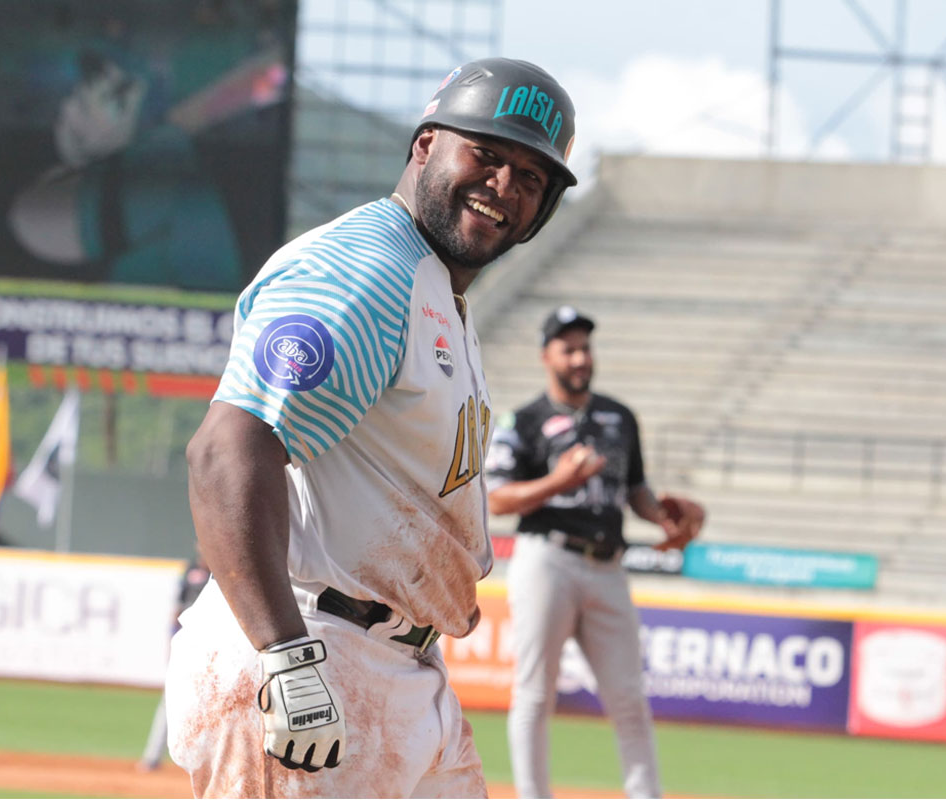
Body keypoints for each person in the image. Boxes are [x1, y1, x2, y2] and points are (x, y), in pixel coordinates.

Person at [164, 57, 578, 798]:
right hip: (314, 645)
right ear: (424, 146)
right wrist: (286, 657)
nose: (503, 187)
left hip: (393, 666)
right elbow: (226, 450)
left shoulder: (433, 286)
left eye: (530, 176)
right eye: (484, 154)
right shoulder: (369, 273)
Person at [485, 306, 706, 799]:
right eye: (569, 348)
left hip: (607, 564)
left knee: (629, 698)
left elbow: (636, 491)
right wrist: (558, 481)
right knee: (535, 693)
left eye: (586, 347)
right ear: (547, 356)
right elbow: (495, 498)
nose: (581, 357)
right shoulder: (523, 420)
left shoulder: (619, 416)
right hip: (548, 559)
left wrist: (665, 516)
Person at [137, 551, 211, 772]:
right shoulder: (191, 572)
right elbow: (176, 612)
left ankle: (204, 762)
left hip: (212, 648)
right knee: (170, 701)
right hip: (188, 644)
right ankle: (152, 757)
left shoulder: (223, 575)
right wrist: (171, 645)